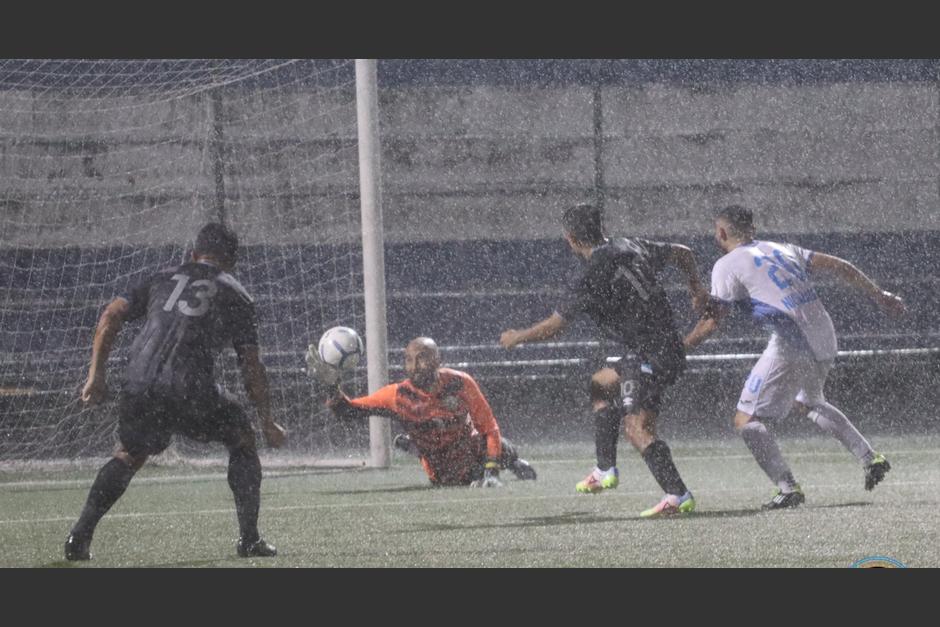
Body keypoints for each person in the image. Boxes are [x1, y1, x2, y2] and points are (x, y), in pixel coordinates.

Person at [64, 222, 287, 561]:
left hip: (140, 384)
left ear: (194, 254)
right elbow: (251, 366)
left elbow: (110, 315)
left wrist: (96, 376)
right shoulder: (237, 294)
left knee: (128, 454)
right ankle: (249, 539)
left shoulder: (160, 278)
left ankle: (78, 537)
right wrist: (267, 420)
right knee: (241, 436)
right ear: (231, 262)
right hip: (190, 389)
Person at [683, 205, 903, 509]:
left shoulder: (726, 264)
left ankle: (788, 489)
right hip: (824, 332)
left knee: (746, 419)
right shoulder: (781, 248)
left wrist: (680, 348)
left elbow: (711, 322)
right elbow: (841, 266)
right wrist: (880, 295)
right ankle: (870, 457)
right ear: (753, 228)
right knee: (808, 401)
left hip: (791, 341)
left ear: (720, 233)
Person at [499, 203, 707, 517]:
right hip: (662, 348)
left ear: (570, 239)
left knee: (638, 429)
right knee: (600, 384)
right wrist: (695, 287)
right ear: (602, 229)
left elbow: (555, 326)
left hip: (650, 354)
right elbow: (684, 252)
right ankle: (605, 469)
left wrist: (517, 337)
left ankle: (678, 495)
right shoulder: (631, 245)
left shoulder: (591, 275)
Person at [309, 336, 536, 487]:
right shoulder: (397, 396)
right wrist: (331, 386)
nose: (415, 366)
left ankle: (513, 462)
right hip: (442, 466)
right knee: (454, 480)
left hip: (469, 447)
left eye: (422, 358)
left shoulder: (460, 383)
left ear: (438, 360)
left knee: (503, 448)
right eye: (409, 360)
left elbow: (490, 428)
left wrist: (492, 473)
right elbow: (348, 412)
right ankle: (415, 445)